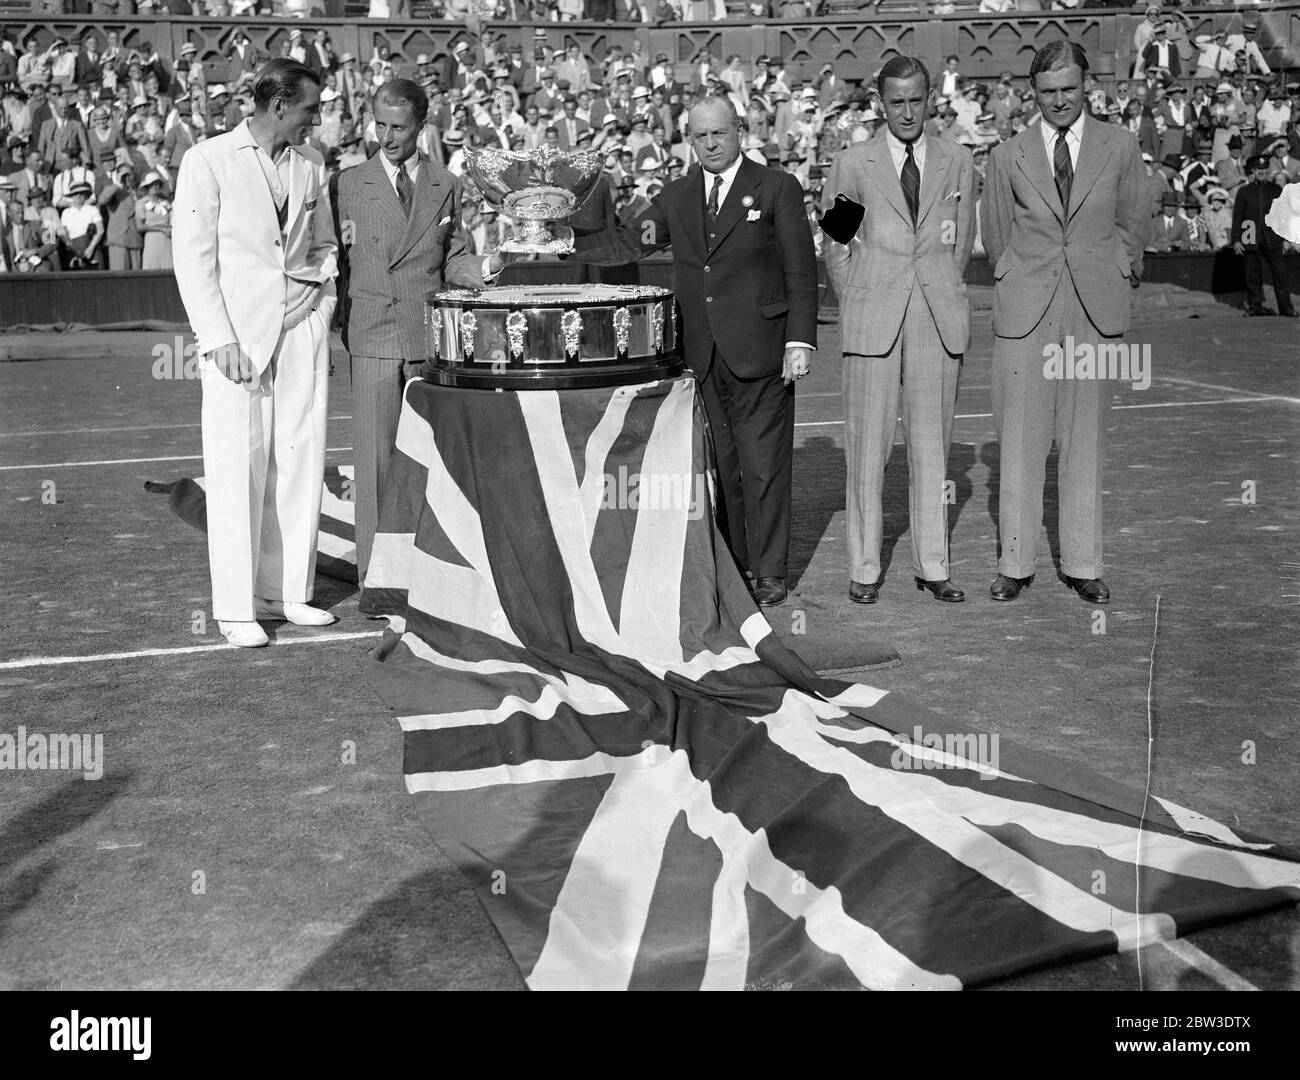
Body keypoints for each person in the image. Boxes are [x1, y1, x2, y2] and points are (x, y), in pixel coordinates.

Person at [569, 95, 818, 607]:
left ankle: (770, 570)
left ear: (740, 131)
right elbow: (628, 244)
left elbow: (800, 269)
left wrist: (800, 339)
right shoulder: (677, 196)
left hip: (763, 349)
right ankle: (733, 561)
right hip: (700, 353)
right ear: (689, 138)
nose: (710, 143)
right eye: (700, 136)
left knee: (765, 463)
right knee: (720, 465)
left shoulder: (776, 187)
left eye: (720, 133)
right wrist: (563, 240)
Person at [172, 58, 339, 649]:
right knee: (237, 468)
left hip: (300, 331)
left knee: (299, 460)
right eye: (309, 111)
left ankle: (288, 591)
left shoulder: (312, 164)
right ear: (277, 106)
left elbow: (324, 247)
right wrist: (219, 340)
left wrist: (319, 309)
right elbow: (193, 260)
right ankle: (235, 605)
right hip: (236, 345)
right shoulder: (208, 160)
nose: (315, 123)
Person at [980, 41, 1149, 605]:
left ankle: (1083, 562)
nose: (1059, 100)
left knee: (1086, 437)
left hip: (1095, 309)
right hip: (1027, 309)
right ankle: (1015, 562)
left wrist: (1116, 270)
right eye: (1047, 91)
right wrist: (1020, 277)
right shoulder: (1007, 156)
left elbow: (1133, 221)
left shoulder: (1121, 147)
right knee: (1022, 439)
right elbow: (998, 233)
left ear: (1086, 87)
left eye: (1068, 89)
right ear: (1034, 93)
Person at [331, 78, 499, 583]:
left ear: (422, 127)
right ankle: (378, 579)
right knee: (376, 462)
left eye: (398, 127)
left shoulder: (445, 184)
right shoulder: (347, 183)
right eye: (379, 125)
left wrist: (488, 267)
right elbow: (332, 262)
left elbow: (454, 257)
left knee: (430, 461)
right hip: (375, 337)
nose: (386, 136)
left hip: (426, 340)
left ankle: (429, 574)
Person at [822, 55, 975, 606]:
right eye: (896, 102)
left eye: (917, 99)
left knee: (932, 447)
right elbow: (836, 246)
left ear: (931, 97)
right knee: (867, 451)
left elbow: (959, 245)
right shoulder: (852, 162)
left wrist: (936, 291)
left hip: (937, 318)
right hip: (872, 320)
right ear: (879, 103)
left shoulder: (959, 160)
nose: (907, 112)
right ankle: (864, 567)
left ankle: (933, 565)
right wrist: (861, 299)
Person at [1232, 154, 1297, 318]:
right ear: (1253, 170)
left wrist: (1285, 239)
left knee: (1280, 274)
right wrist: (1235, 240)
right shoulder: (1244, 191)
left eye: (1264, 168)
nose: (1261, 171)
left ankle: (1286, 308)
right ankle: (1255, 306)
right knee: (1251, 274)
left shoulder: (1275, 189)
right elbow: (1238, 217)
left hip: (1272, 236)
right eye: (1258, 168)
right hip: (1250, 234)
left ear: (1267, 169)